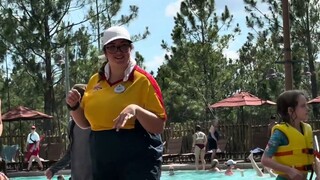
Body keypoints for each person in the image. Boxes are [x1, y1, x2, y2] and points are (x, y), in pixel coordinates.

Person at [66, 26, 167, 179]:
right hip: (103, 161)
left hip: (139, 163)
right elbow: (86, 123)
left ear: (130, 48)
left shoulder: (143, 80)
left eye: (123, 46)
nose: (118, 51)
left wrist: (136, 110)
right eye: (112, 47)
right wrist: (74, 106)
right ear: (105, 52)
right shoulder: (95, 80)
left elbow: (158, 126)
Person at [261, 90, 317, 180]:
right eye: (303, 106)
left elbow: (311, 157)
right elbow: (265, 160)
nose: (308, 108)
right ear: (290, 110)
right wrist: (289, 171)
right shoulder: (280, 133)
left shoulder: (307, 129)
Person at [45, 84, 92, 180]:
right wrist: (53, 169)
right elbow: (71, 153)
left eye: (74, 102)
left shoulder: (96, 123)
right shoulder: (72, 125)